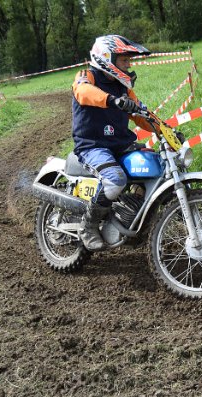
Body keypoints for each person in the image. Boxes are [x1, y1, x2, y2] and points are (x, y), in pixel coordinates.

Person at [72, 35, 155, 251]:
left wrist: (166, 130)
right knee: (115, 179)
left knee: (156, 165)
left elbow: (142, 114)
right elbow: (83, 92)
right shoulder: (87, 76)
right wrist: (112, 100)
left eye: (129, 61)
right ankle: (88, 226)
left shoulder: (123, 88)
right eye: (124, 60)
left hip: (120, 144)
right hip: (93, 146)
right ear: (106, 58)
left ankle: (133, 218)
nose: (128, 65)